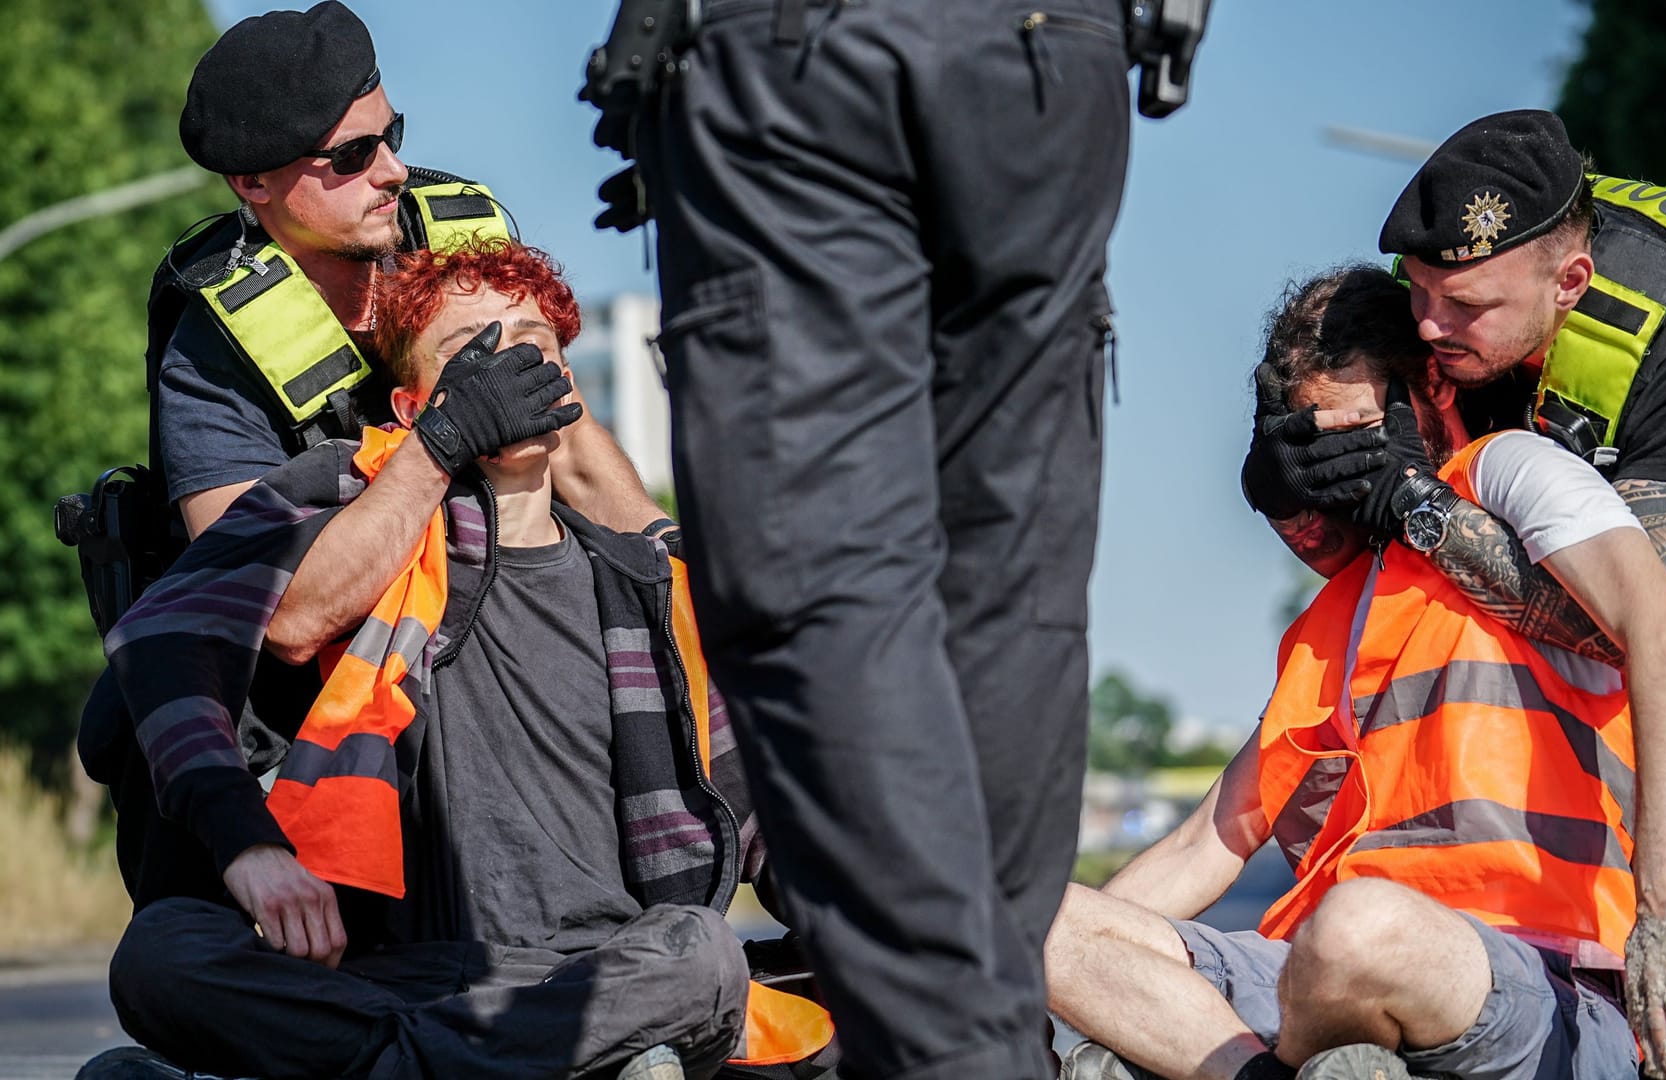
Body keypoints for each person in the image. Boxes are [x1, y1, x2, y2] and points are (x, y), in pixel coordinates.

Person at [1256, 109, 1666, 1077]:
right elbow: (1373, 527)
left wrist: (1411, 502)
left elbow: (1618, 630)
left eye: (1464, 307)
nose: (1431, 327)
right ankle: (1467, 967)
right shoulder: (1473, 302)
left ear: (1568, 281)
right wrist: (1288, 473)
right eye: (1422, 292)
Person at [86, 241, 834, 1080]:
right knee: (162, 953)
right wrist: (245, 843)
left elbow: (772, 824)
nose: (506, 363)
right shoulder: (362, 518)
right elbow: (164, 641)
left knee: (701, 954)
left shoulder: (649, 589)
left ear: (568, 391)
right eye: (470, 352)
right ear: (411, 404)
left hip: (591, 979)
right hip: (382, 977)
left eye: (529, 343)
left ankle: (394, 1071)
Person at [582, 3, 1142, 1076]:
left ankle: (960, 1052)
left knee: (819, 598)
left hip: (798, 62)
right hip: (1055, 57)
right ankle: (973, 1031)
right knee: (1007, 594)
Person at [1049, 265, 1666, 1080]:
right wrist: (1076, 974)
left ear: (1430, 387)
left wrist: (1664, 912)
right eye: (1317, 440)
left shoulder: (1509, 473)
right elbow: (1206, 842)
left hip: (1542, 983)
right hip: (1321, 984)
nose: (1343, 464)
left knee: (1358, 929)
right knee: (1025, 914)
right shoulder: (1341, 614)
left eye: (1360, 428)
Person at [82, 0, 667, 915]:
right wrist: (437, 443)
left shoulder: (458, 233)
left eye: (389, 133)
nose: (391, 170)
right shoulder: (213, 350)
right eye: (351, 157)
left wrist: (676, 571)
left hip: (509, 627)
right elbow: (281, 618)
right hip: (323, 700)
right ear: (254, 184)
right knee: (184, 962)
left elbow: (577, 441)